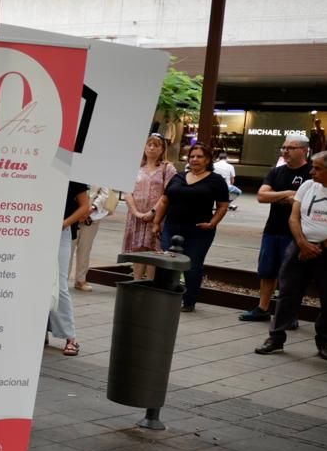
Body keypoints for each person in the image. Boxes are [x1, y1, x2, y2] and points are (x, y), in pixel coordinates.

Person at [255, 150, 327, 361]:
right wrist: (302, 243)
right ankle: (275, 338)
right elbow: (294, 218)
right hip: (299, 247)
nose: (312, 172)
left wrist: (320, 246)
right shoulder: (307, 186)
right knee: (287, 293)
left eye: (318, 168)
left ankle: (325, 341)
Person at [241, 135, 312, 322]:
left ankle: (289, 314)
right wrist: (288, 194)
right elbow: (261, 196)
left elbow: (306, 200)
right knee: (267, 271)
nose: (286, 151)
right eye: (284, 147)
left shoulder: (312, 172)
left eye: (291, 147)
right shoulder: (276, 172)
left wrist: (278, 196)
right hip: (272, 230)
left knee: (291, 275)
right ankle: (263, 308)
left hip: (297, 233)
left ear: (304, 150)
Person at [153, 144, 231, 312]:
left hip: (199, 230)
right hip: (172, 227)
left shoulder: (216, 180)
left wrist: (213, 223)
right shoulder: (178, 177)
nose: (195, 159)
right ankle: (166, 296)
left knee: (193, 265)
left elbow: (223, 206)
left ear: (208, 159)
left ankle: (189, 301)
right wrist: (156, 222)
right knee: (168, 263)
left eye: (199, 156)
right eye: (192, 156)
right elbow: (165, 201)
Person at [122, 134, 177, 281]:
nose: (152, 148)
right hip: (136, 216)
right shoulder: (135, 167)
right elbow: (127, 191)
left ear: (162, 149)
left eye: (156, 145)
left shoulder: (167, 168)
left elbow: (168, 193)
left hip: (157, 216)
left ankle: (150, 283)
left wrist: (153, 212)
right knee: (138, 249)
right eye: (149, 144)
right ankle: (136, 281)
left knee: (153, 250)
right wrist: (136, 212)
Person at [49, 183, 92, 356]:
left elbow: (85, 207)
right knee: (35, 281)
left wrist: (63, 223)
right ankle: (40, 331)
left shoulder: (72, 173)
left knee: (59, 284)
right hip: (34, 227)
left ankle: (70, 337)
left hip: (61, 231)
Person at [71, 186, 116, 291]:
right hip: (72, 212)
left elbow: (105, 193)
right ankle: (62, 279)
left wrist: (91, 208)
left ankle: (80, 280)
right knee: (68, 248)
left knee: (85, 249)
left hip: (92, 216)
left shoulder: (100, 172)